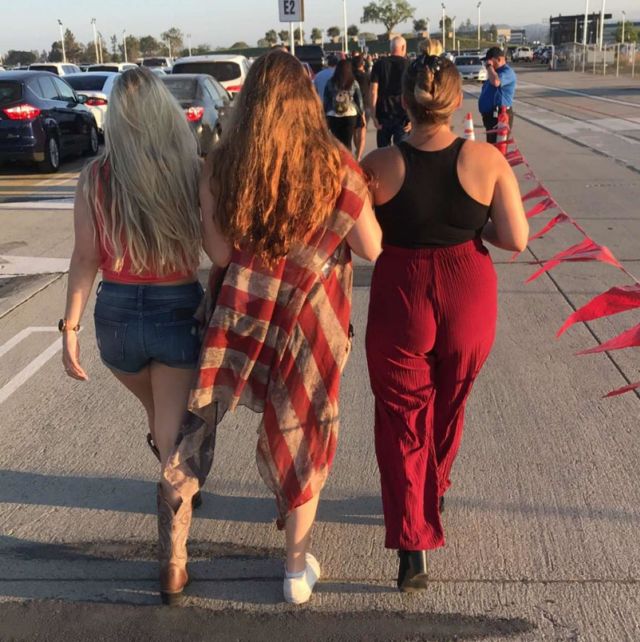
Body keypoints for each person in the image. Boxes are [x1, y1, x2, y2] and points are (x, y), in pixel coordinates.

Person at [164, 50, 382, 606]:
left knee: (194, 424)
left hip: (243, 313)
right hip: (310, 319)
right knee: (304, 429)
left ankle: (175, 549)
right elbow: (372, 246)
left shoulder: (221, 164)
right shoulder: (336, 165)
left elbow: (219, 254)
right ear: (307, 101)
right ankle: (294, 570)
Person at [361, 54, 528, 592]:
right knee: (449, 404)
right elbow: (516, 237)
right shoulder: (487, 159)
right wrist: (473, 229)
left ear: (403, 103)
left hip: (401, 288)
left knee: (402, 415)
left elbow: (365, 241)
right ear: (457, 102)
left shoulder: (379, 164)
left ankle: (413, 541)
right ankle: (433, 488)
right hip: (467, 288)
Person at [60, 68, 205, 604]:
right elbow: (219, 249)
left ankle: (176, 478)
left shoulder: (94, 177)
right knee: (173, 435)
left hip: (117, 318)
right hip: (176, 308)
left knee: (159, 419)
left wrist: (70, 328)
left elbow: (84, 258)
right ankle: (174, 560)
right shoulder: (191, 170)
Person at [370, 36, 410, 148]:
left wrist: (373, 115)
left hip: (383, 114)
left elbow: (373, 91)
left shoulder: (379, 65)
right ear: (403, 47)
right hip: (403, 116)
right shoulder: (409, 65)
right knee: (401, 153)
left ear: (390, 48)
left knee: (383, 152)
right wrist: (413, 117)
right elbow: (413, 92)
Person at [323, 59, 365, 155]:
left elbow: (326, 100)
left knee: (336, 142)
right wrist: (361, 114)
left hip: (333, 115)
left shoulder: (330, 82)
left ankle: (338, 160)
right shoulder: (353, 82)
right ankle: (348, 160)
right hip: (350, 115)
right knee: (347, 142)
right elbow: (359, 100)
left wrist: (325, 114)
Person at [478, 47, 517, 143]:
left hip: (500, 116)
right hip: (491, 117)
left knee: (498, 148)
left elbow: (496, 82)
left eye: (489, 62)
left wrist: (489, 67)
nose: (487, 64)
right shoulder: (495, 73)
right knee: (491, 146)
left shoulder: (507, 72)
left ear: (499, 59)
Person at [352, 54, 372, 162]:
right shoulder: (367, 76)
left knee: (355, 132)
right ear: (362, 64)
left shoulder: (350, 77)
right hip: (365, 105)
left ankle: (357, 150)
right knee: (363, 132)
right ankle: (359, 156)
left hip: (352, 107)